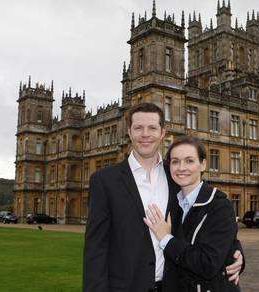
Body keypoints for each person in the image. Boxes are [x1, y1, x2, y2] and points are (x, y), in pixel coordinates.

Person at [83, 103, 244, 292]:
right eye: (138, 128)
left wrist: (236, 253)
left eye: (152, 128)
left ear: (162, 133)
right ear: (129, 131)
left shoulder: (177, 175)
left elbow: (207, 219)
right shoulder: (104, 180)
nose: (145, 134)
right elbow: (96, 248)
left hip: (174, 286)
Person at [144, 136, 241, 291]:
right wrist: (235, 253)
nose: (181, 167)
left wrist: (166, 239)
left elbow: (208, 263)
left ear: (202, 164)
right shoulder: (170, 202)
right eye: (175, 161)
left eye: (189, 161)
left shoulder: (219, 205)